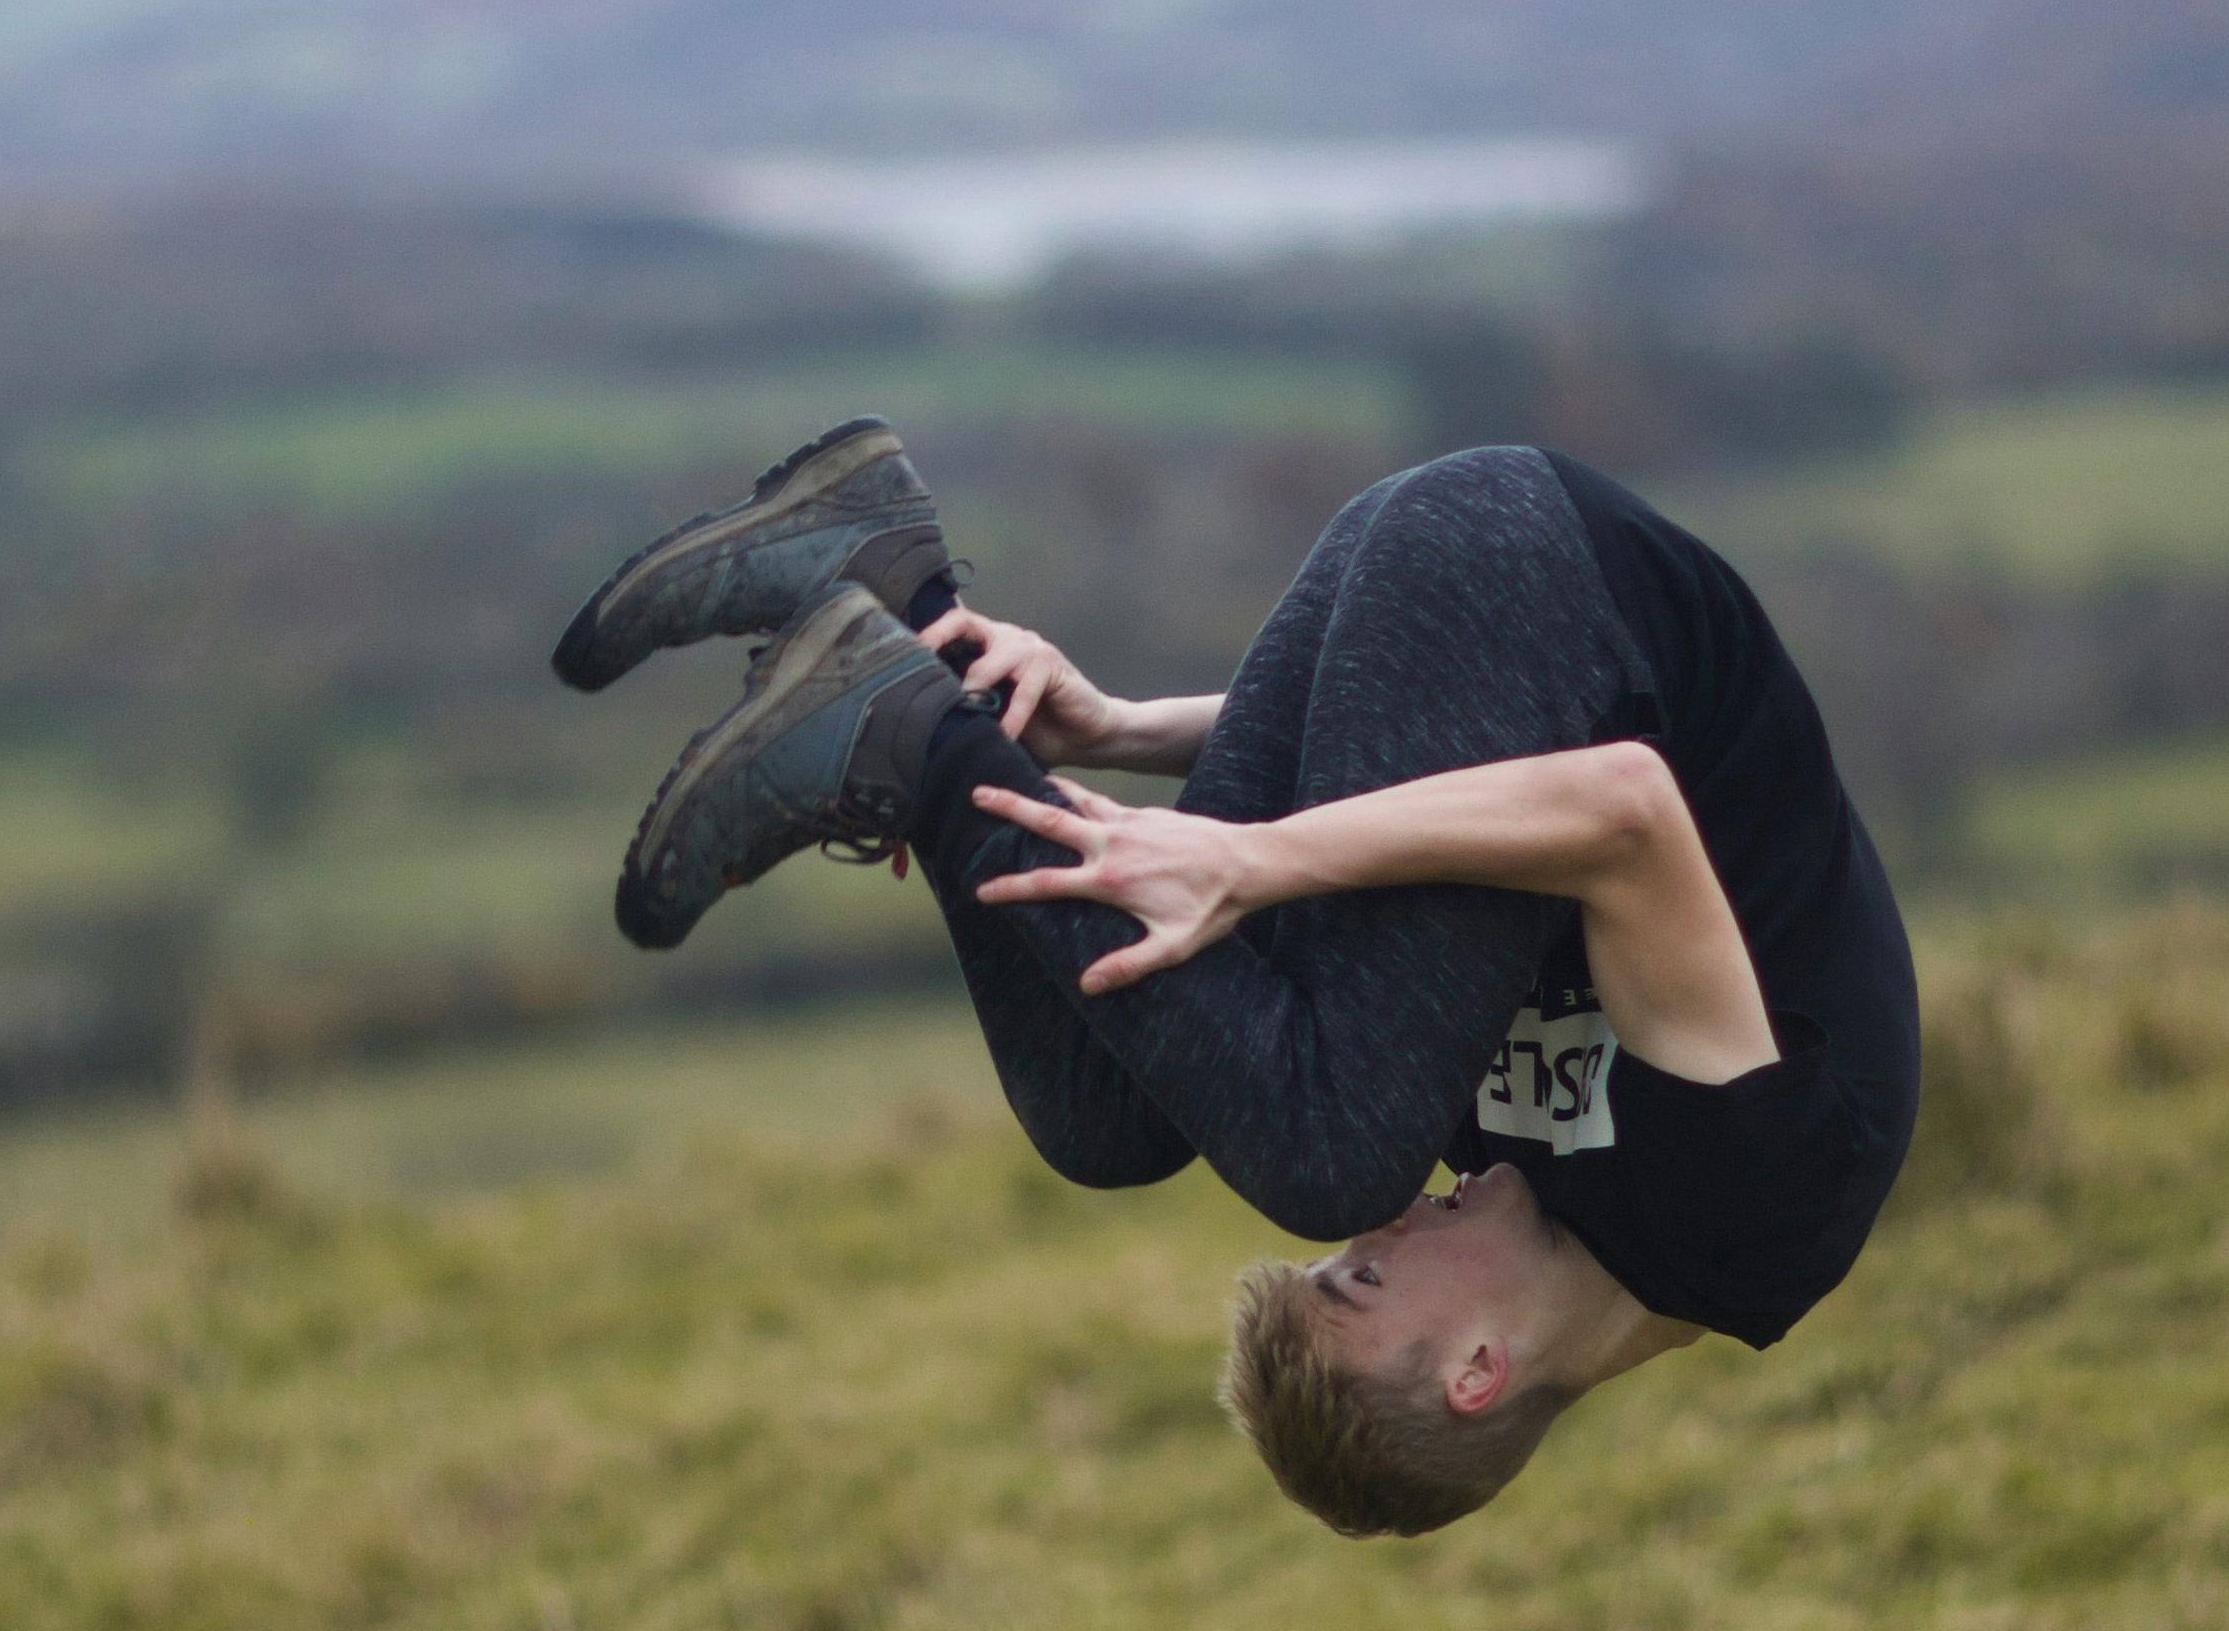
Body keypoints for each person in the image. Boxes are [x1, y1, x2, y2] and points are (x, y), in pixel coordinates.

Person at [552, 420, 1919, 1535]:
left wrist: (1124, 732)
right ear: (1477, 1374)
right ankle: (897, 729)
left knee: (1117, 1123)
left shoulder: (1495, 1170)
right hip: (1539, 578)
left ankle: (909, 631)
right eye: (1367, 1285)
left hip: (1456, 596)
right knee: (1327, 1151)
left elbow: (1439, 772)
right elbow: (1624, 807)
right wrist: (1258, 856)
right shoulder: (1756, 1208)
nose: (1385, 1233)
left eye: (1349, 1263)